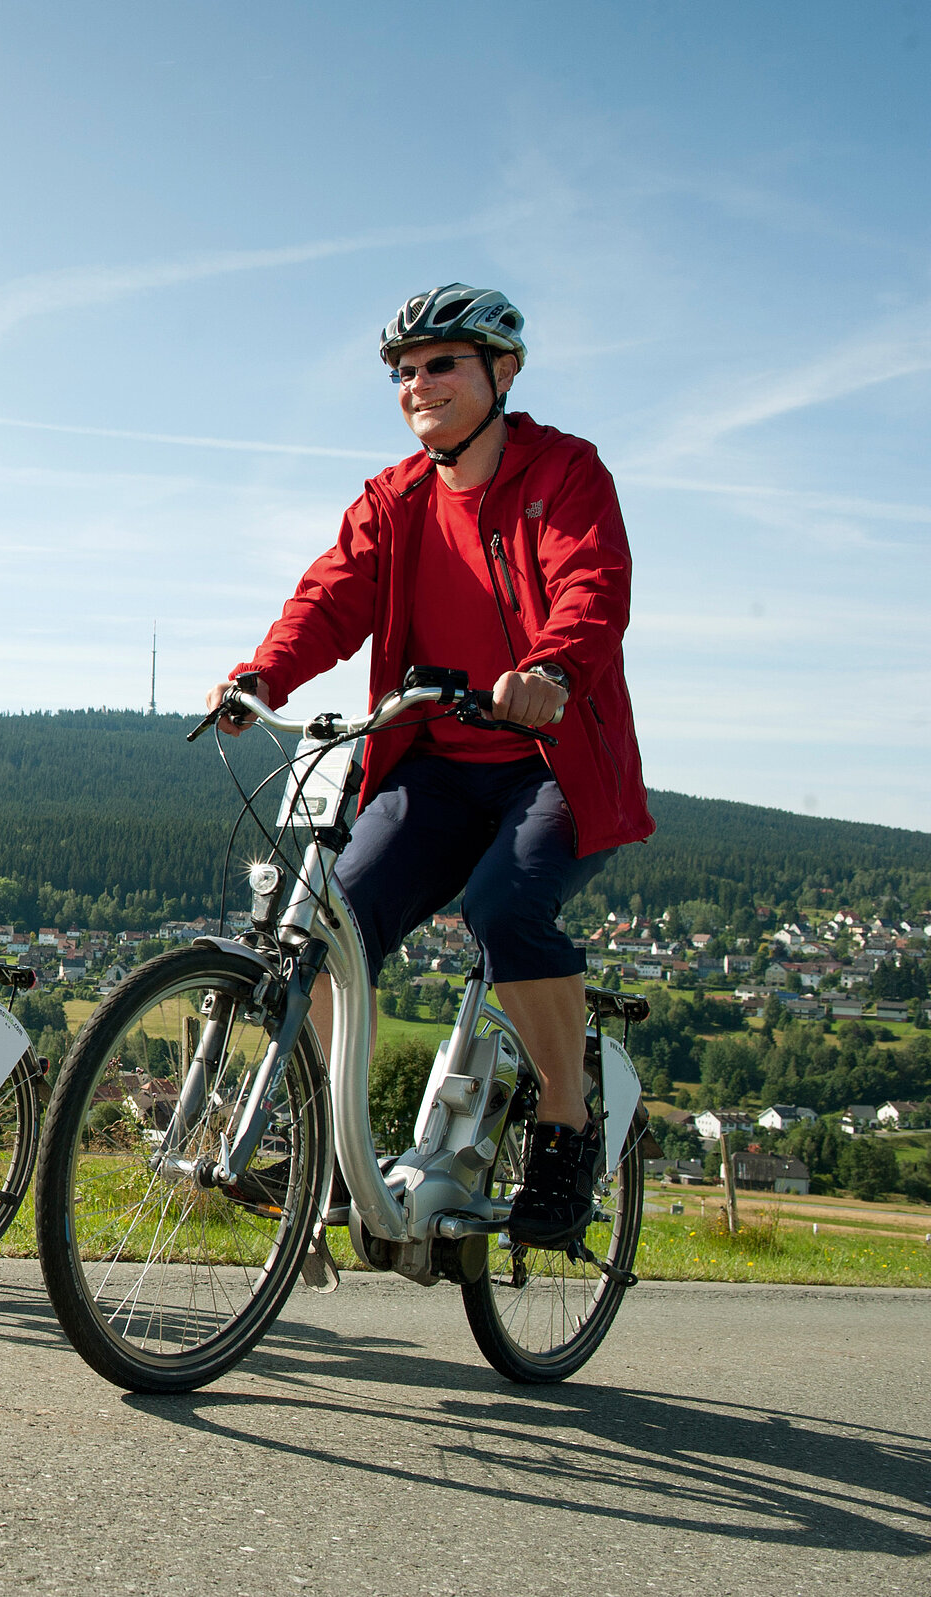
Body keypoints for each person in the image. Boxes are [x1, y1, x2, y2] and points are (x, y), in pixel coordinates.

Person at [207, 284, 653, 1245]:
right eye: (404, 372)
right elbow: (330, 597)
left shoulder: (565, 471)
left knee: (504, 909)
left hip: (550, 762)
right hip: (438, 766)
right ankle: (334, 1144)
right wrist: (264, 674)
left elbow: (592, 584)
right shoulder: (395, 498)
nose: (417, 384)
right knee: (332, 929)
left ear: (502, 371)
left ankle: (568, 1127)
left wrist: (549, 669)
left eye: (440, 364)